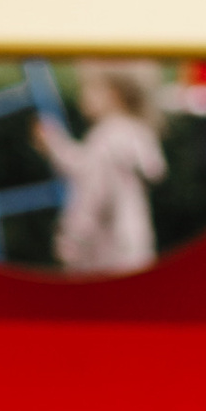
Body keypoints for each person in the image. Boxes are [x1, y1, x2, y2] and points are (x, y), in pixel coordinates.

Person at [36, 61, 169, 276]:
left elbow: (91, 193)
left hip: (104, 251)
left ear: (112, 94)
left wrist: (71, 240)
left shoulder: (105, 139)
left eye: (88, 88)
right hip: (134, 246)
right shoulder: (136, 134)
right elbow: (86, 166)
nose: (82, 95)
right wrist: (55, 145)